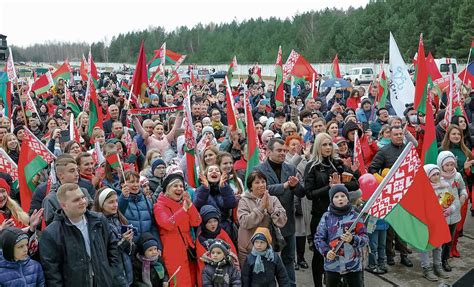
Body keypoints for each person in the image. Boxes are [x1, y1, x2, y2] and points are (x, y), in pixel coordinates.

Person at [304, 132, 359, 286]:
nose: (328, 147)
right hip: (320, 216)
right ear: (317, 147)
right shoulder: (312, 167)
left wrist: (340, 185)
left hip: (340, 218)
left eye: (330, 144)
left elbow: (355, 184)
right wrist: (329, 187)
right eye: (324, 144)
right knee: (320, 253)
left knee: (339, 251)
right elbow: (309, 194)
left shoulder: (338, 163)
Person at [39, 183, 121, 286]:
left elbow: (112, 247)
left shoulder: (99, 220)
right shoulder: (51, 234)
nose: (83, 202)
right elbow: (52, 272)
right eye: (76, 200)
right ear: (64, 205)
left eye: (83, 197)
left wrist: (111, 273)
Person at [254, 138, 305, 286]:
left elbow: (301, 193)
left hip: (287, 222)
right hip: (267, 223)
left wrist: (294, 186)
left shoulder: (291, 169)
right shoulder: (259, 170)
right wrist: (285, 185)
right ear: (269, 152)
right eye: (279, 150)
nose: (283, 153)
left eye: (284, 150)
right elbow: (262, 190)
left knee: (288, 259)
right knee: (267, 260)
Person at [315, 185, 368, 287]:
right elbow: (319, 238)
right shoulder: (326, 217)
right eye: (336, 196)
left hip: (353, 266)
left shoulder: (356, 216)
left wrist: (353, 239)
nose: (340, 199)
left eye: (343, 196)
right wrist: (326, 252)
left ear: (347, 198)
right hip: (333, 266)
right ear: (331, 200)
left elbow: (365, 238)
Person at [154, 172, 202, 287]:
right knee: (179, 283)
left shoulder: (183, 204)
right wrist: (184, 210)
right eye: (175, 186)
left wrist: (190, 205)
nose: (179, 189)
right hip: (173, 252)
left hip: (188, 249)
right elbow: (167, 224)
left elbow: (196, 221)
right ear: (167, 189)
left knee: (192, 281)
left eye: (181, 186)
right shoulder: (159, 206)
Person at [237, 170, 287, 265]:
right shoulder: (244, 201)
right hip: (248, 249)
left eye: (263, 182)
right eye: (257, 182)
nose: (261, 185)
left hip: (269, 248)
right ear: (250, 186)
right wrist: (260, 209)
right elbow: (244, 222)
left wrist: (271, 210)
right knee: (248, 278)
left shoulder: (273, 199)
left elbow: (282, 221)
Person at [92, 187, 133, 286]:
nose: (115, 205)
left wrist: (130, 241)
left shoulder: (119, 219)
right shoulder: (98, 225)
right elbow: (106, 254)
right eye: (111, 202)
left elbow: (128, 251)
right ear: (101, 204)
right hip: (114, 276)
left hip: (126, 271)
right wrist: (124, 241)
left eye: (116, 201)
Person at [437, 151, 466, 272]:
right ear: (441, 165)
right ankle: (437, 261)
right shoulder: (436, 176)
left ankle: (445, 259)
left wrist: (463, 195)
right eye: (446, 165)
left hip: (454, 213)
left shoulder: (457, 176)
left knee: (450, 239)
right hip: (441, 214)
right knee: (440, 240)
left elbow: (462, 188)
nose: (449, 167)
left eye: (451, 164)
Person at [420, 164, 450, 282]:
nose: (437, 177)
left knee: (438, 245)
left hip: (440, 221)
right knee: (426, 245)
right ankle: (426, 268)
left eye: (438, 174)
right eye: (433, 175)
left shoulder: (444, 186)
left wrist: (448, 209)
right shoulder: (424, 189)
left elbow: (448, 201)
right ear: (427, 176)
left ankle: (437, 266)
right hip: (428, 222)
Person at [194, 164, 238, 243]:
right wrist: (205, 188)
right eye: (210, 171)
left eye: (217, 171)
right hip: (206, 230)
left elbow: (232, 204)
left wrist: (223, 188)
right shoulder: (200, 189)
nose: (214, 172)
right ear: (206, 176)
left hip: (225, 228)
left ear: (221, 175)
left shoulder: (226, 188)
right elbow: (197, 204)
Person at [196, 205, 237, 287]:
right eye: (209, 222)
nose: (213, 224)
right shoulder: (200, 239)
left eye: (215, 221)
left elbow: (233, 255)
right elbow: (200, 263)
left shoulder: (223, 234)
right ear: (204, 223)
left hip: (226, 276)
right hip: (208, 277)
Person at [118, 170, 161, 243]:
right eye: (132, 182)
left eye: (137, 181)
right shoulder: (119, 200)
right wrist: (124, 198)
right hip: (130, 246)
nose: (136, 185)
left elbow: (153, 226)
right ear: (123, 184)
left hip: (147, 247)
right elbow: (119, 213)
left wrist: (156, 244)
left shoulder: (147, 201)